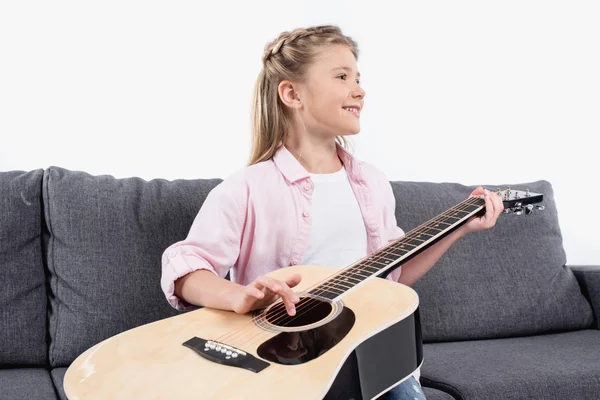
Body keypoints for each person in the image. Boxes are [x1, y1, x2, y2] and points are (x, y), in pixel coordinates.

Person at [161, 25, 504, 400]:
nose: (359, 90)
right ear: (292, 93)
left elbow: (394, 277)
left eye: (358, 78)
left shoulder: (372, 184)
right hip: (280, 361)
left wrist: (457, 229)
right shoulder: (248, 188)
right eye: (342, 77)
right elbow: (185, 267)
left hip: (368, 352)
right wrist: (240, 297)